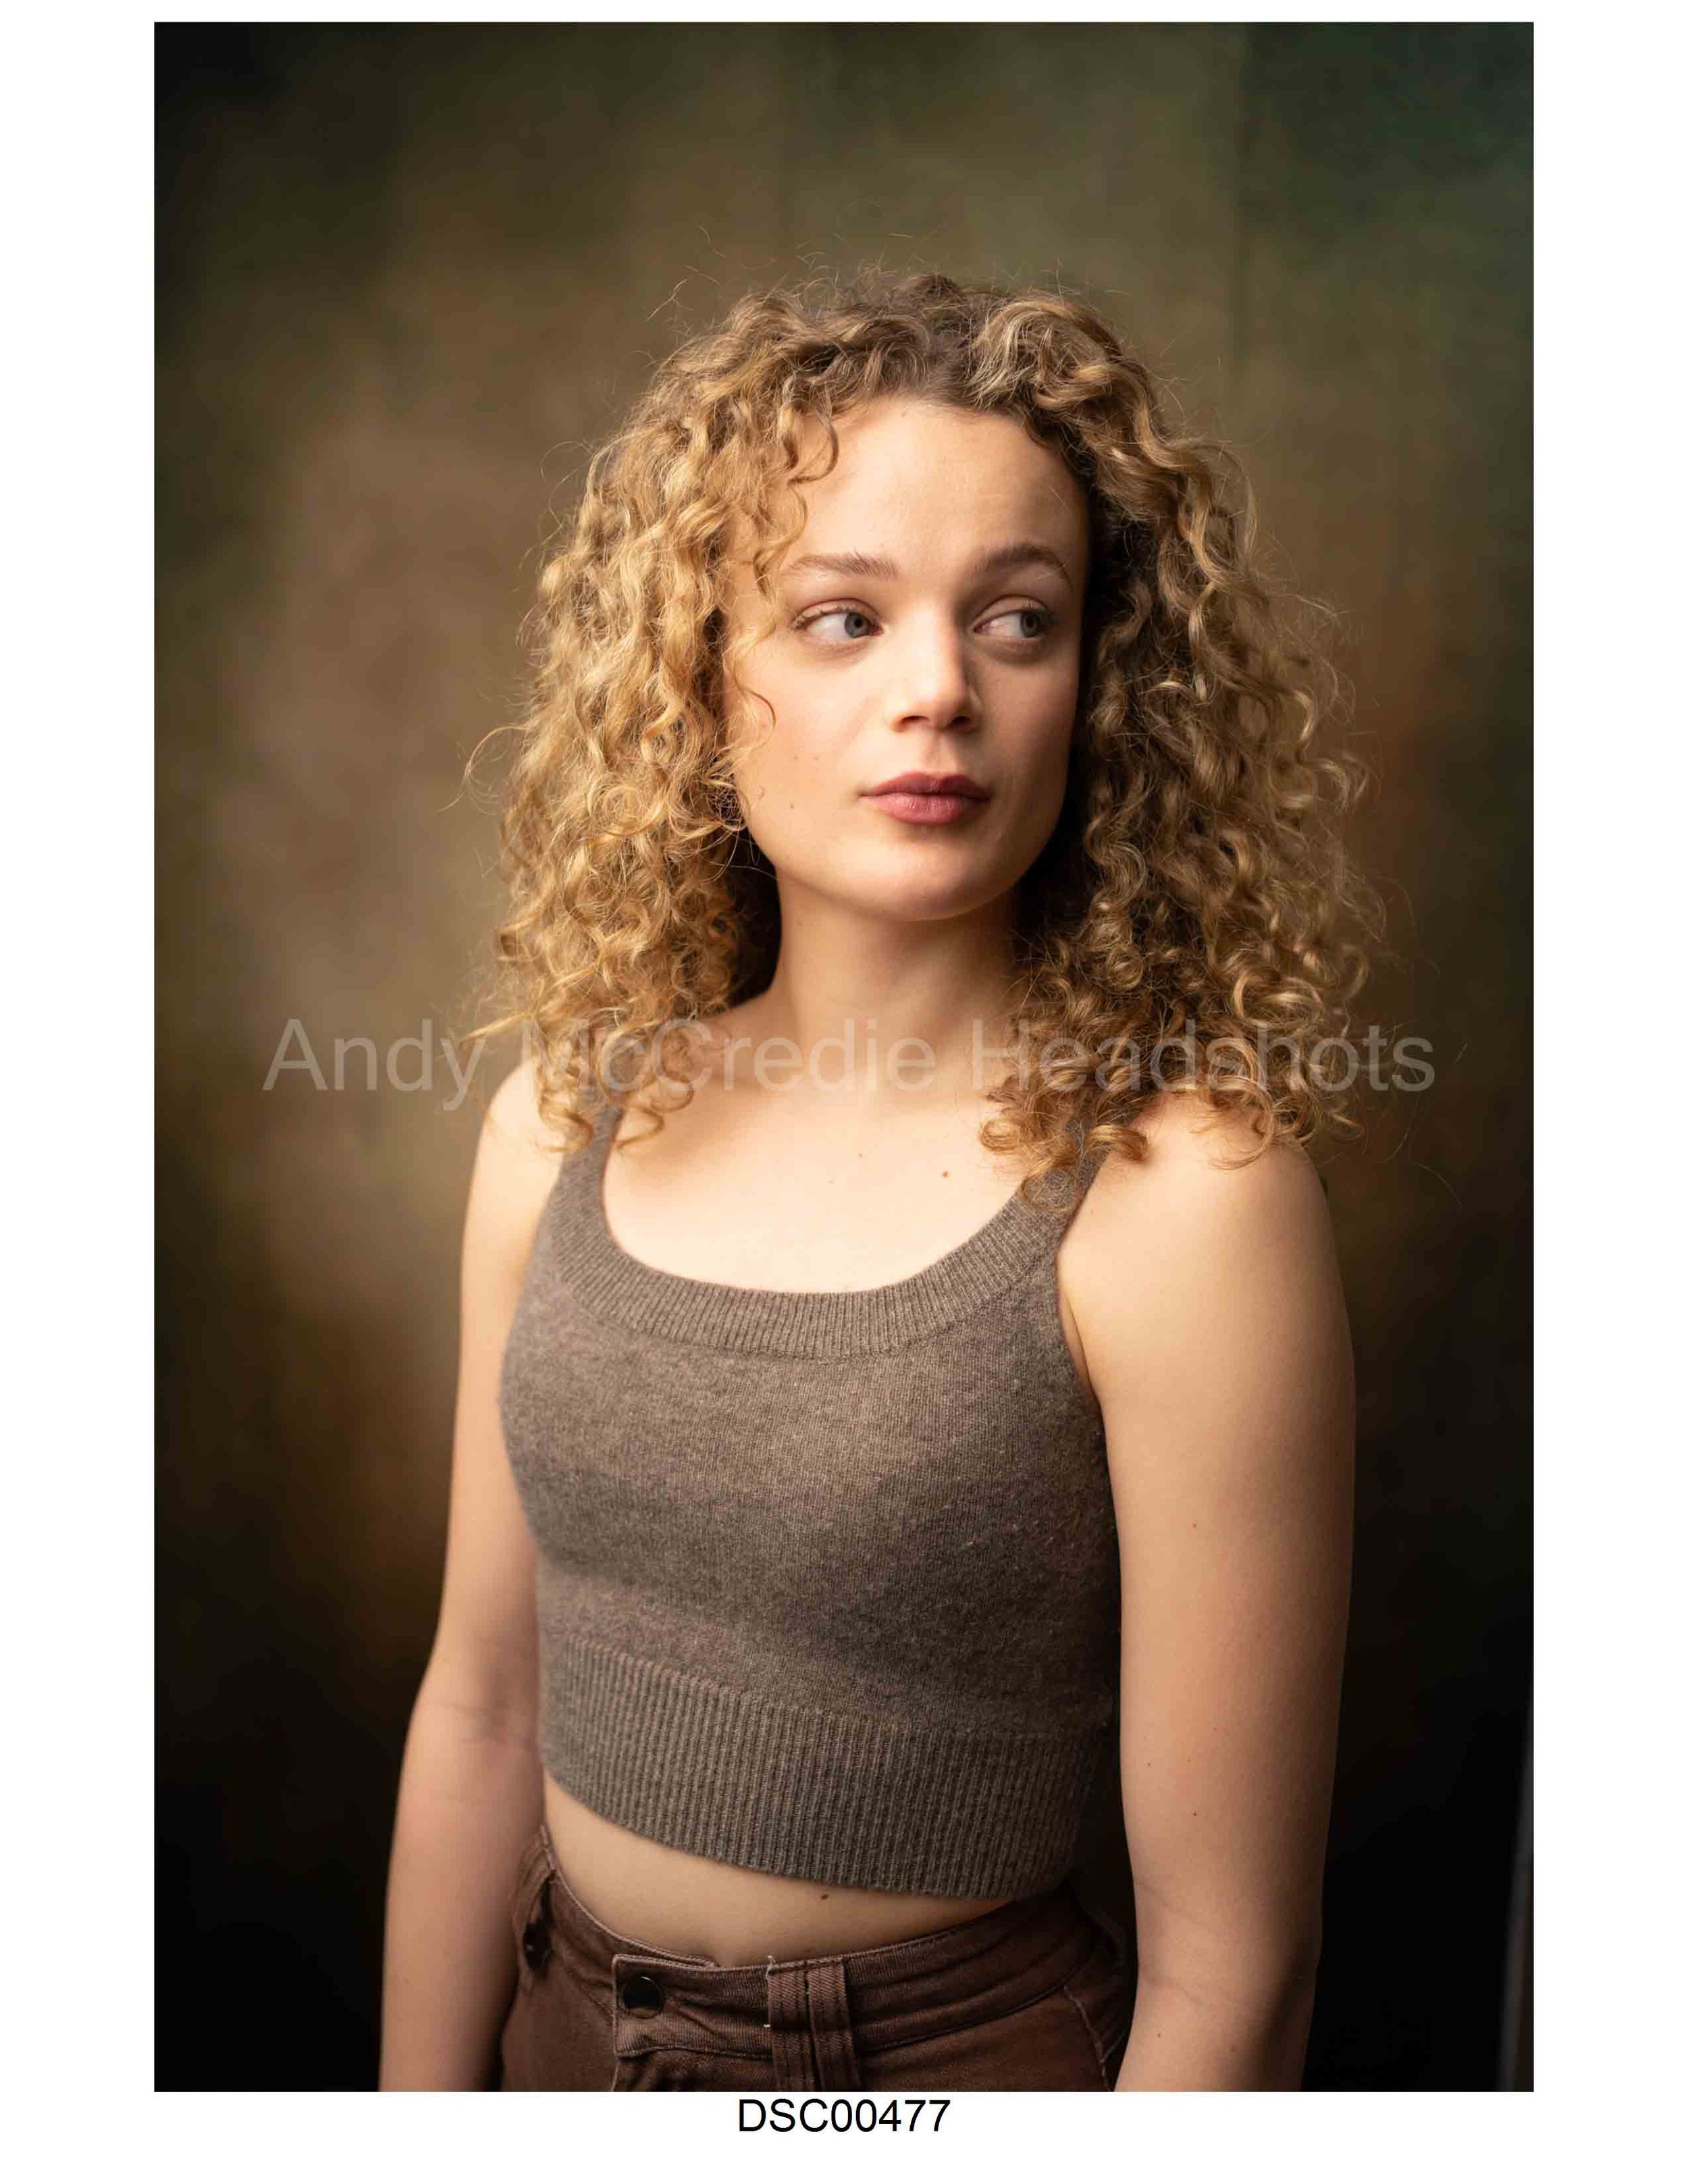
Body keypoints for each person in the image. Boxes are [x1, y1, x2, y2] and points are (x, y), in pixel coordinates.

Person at [379, 269, 1373, 2093]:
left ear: (1098, 688)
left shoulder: (1181, 1196)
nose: (937, 691)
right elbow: (481, 1708)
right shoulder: (561, 1120)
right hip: (556, 2041)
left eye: (1017, 620)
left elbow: (1236, 1964)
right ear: (706, 674)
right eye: (842, 618)